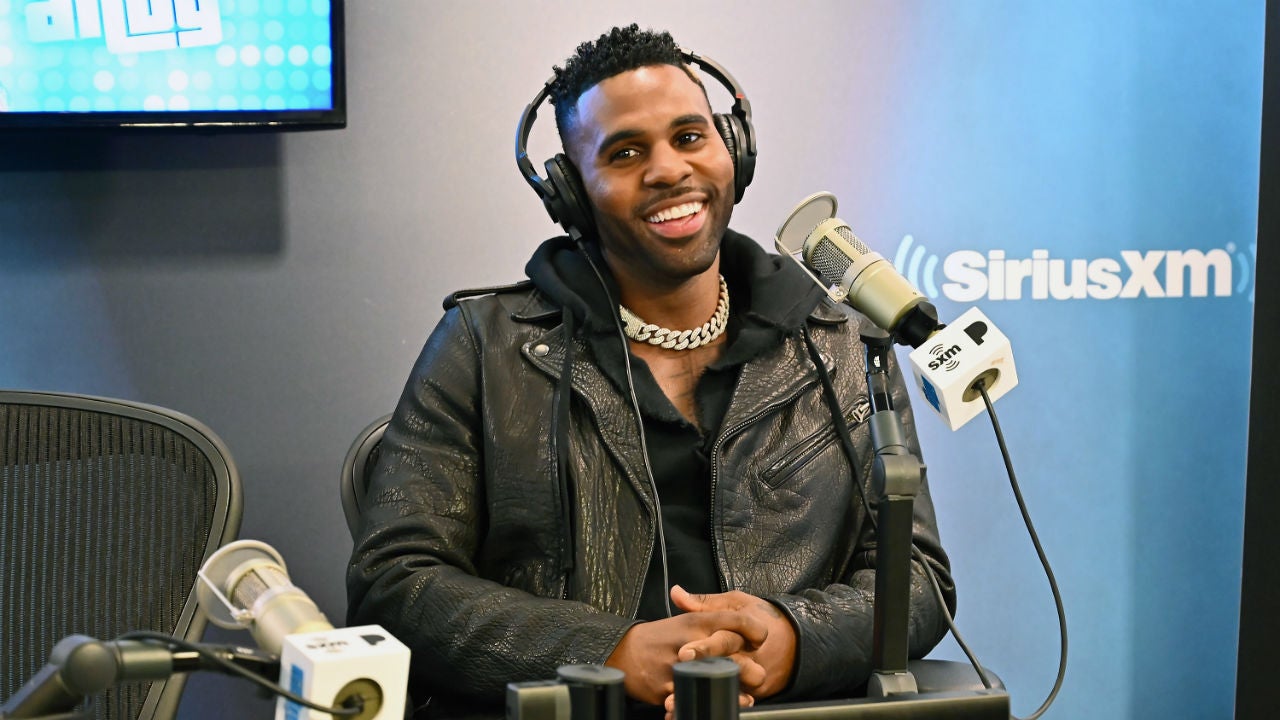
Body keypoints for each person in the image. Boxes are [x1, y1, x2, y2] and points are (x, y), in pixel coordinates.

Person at [347, 24, 954, 719]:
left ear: (734, 150)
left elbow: (918, 581)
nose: (668, 170)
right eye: (626, 152)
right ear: (573, 193)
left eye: (690, 136)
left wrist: (794, 638)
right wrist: (606, 652)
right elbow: (393, 582)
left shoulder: (841, 344)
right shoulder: (483, 347)